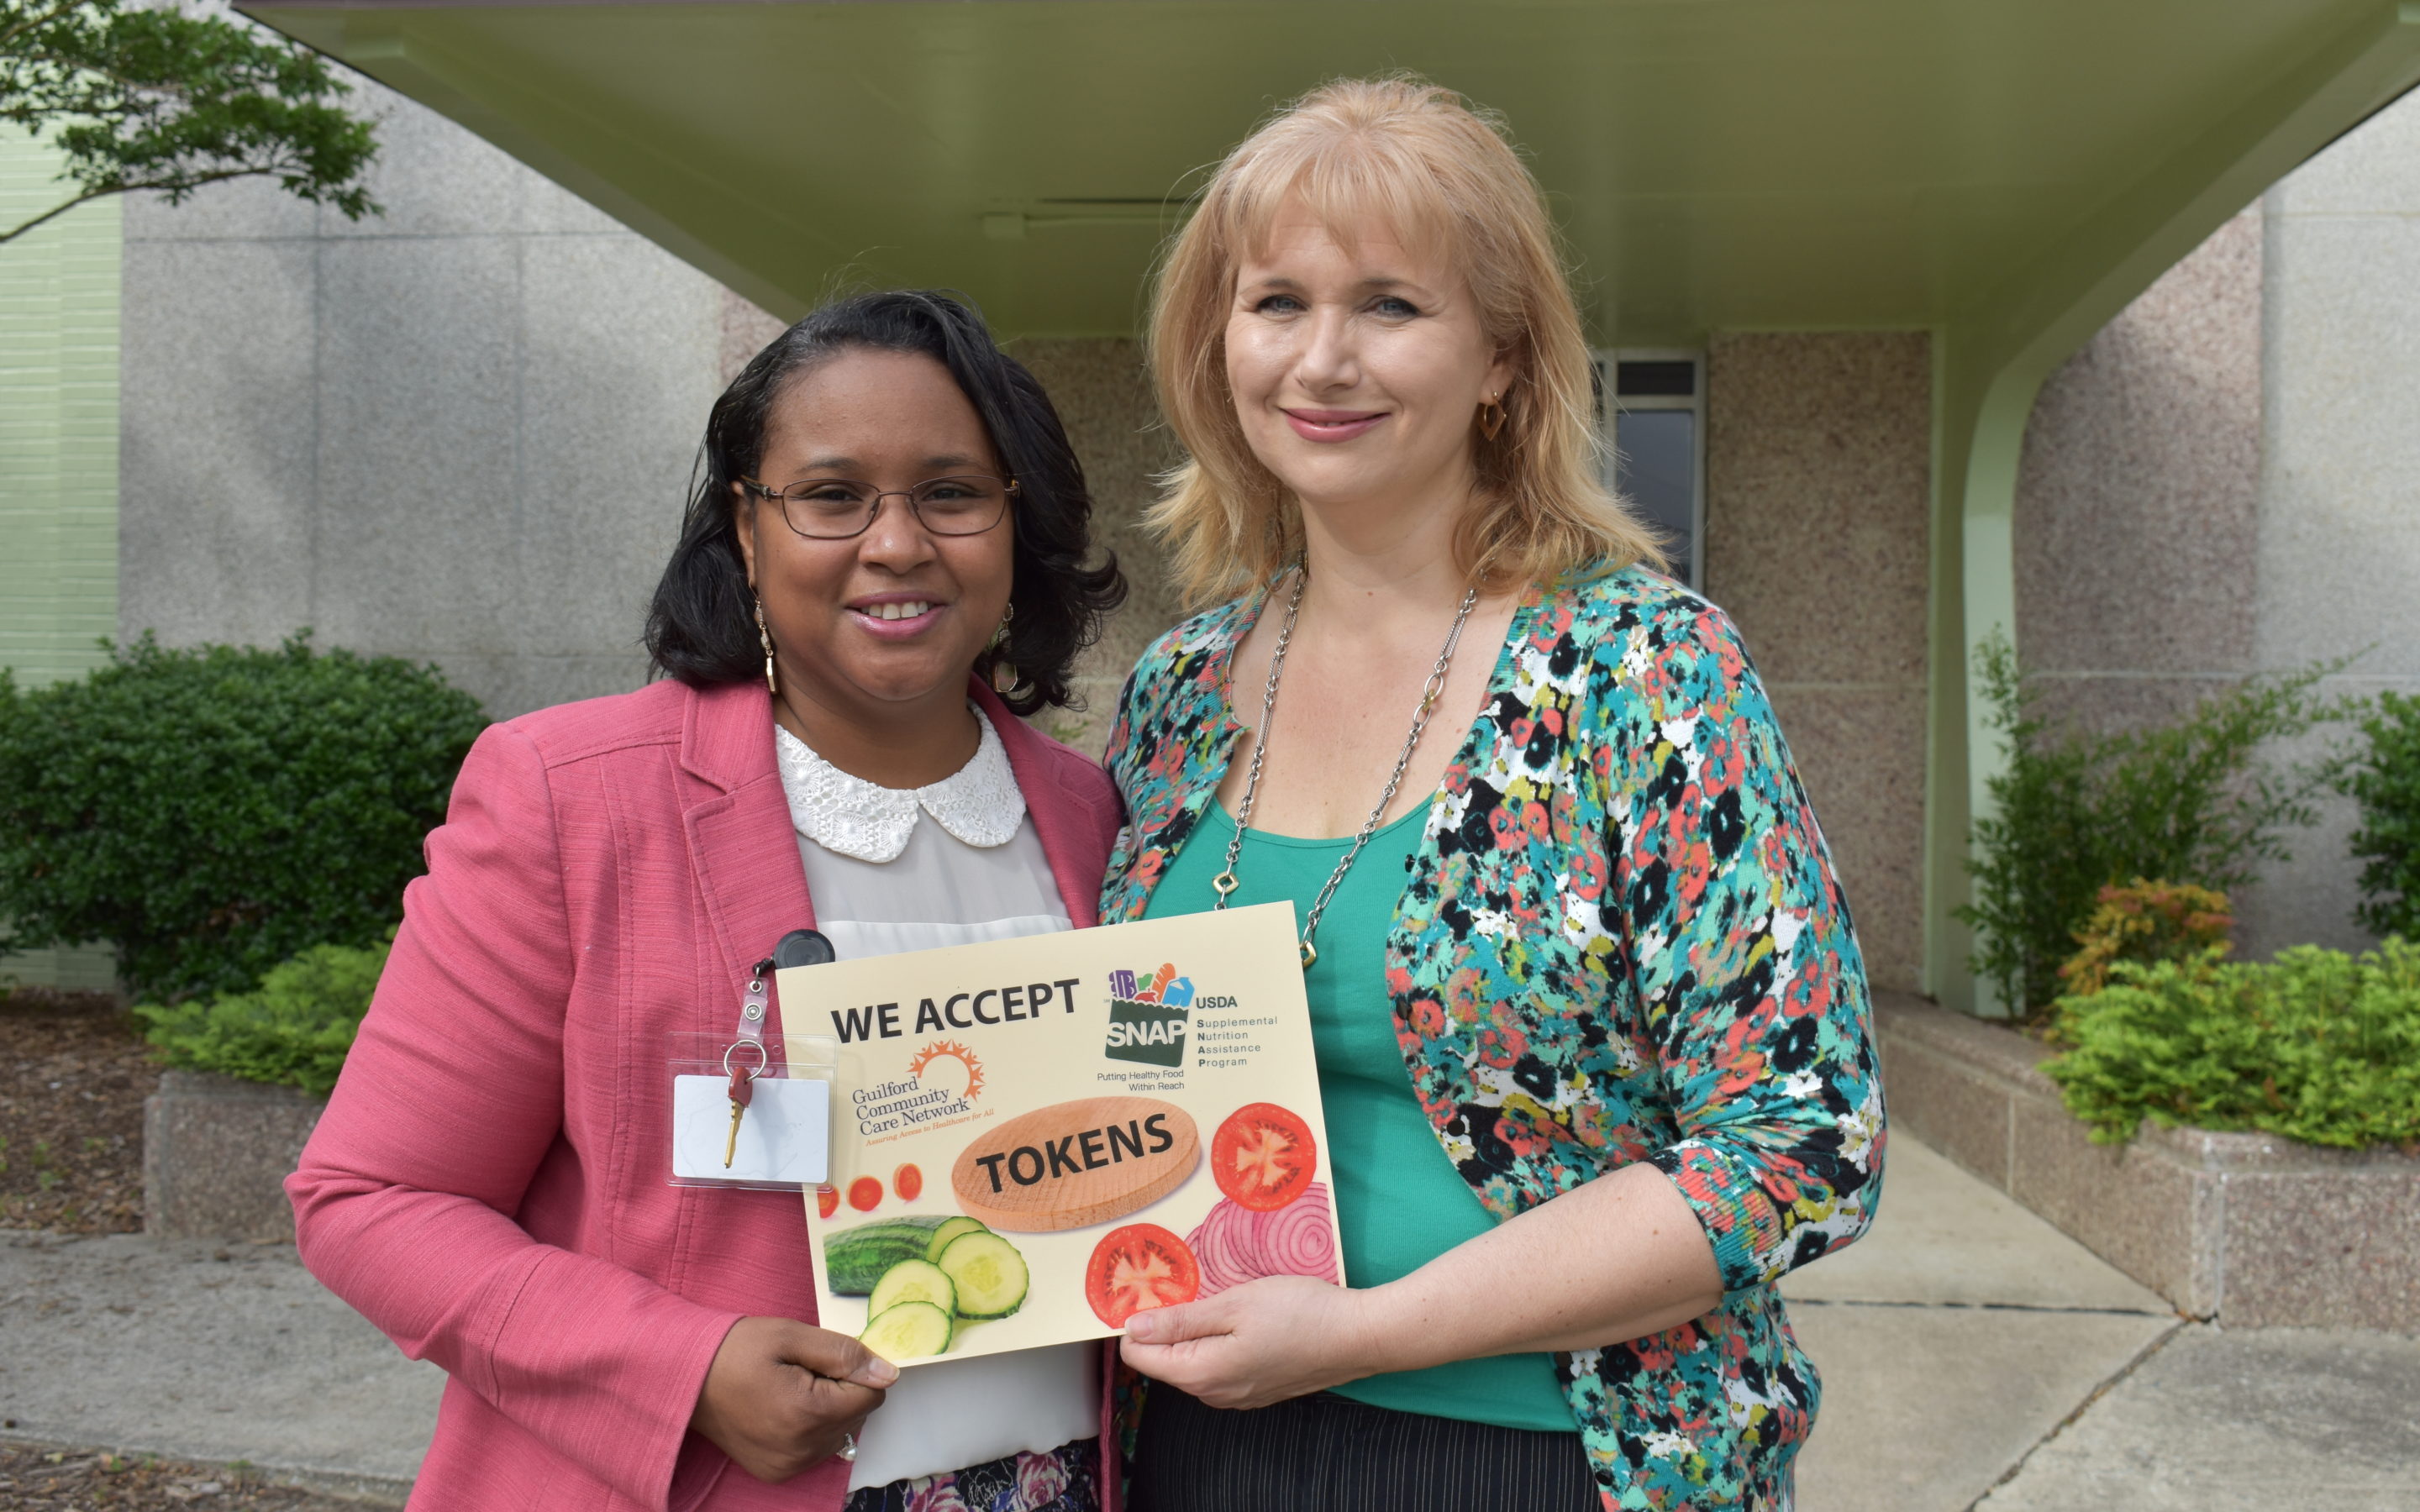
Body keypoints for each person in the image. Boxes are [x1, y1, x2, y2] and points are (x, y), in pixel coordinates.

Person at [1098, 79, 1884, 1511]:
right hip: (1199, 1444)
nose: (1323, 360)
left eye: (1391, 305)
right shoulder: (1179, 689)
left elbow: (1800, 1138)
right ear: (1220, 343)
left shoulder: (1641, 667)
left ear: (1504, 359)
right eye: (1276, 302)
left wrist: (1360, 1334)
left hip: (1550, 1455)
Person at [289, 291, 1128, 1511]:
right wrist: (684, 1367)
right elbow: (371, 1201)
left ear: (1016, 522)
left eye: (951, 494)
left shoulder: (1097, 814)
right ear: (746, 527)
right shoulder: (570, 801)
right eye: (834, 498)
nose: (897, 544)